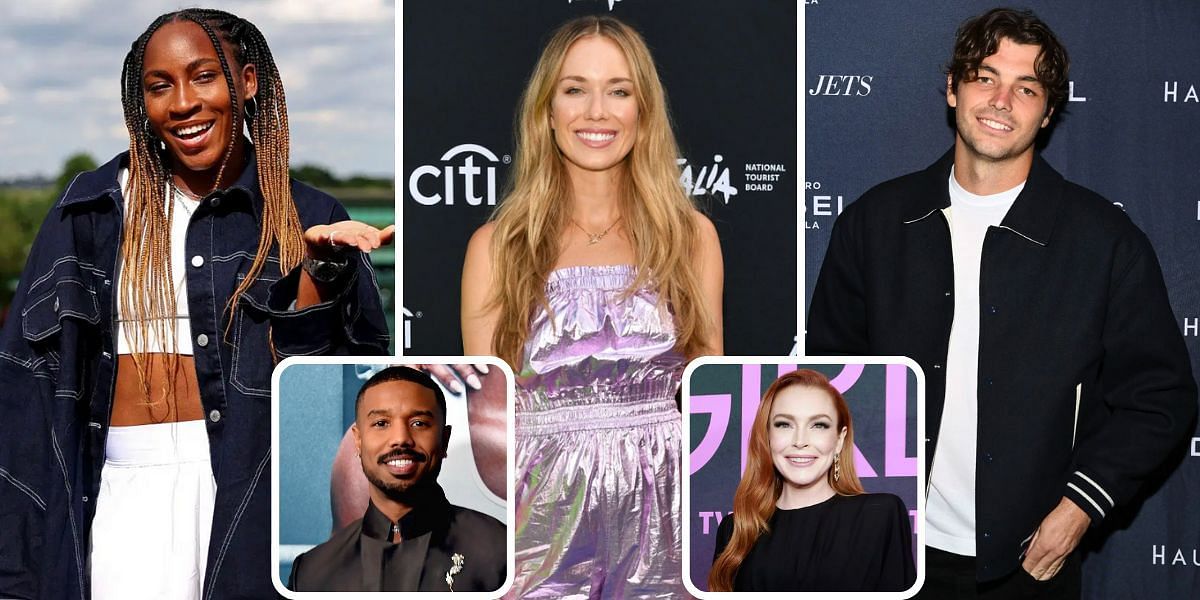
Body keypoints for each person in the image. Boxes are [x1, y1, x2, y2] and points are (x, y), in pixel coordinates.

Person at [0, 8, 392, 599]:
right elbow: (25, 395)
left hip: (248, 499)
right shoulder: (89, 215)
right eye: (160, 86)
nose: (183, 103)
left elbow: (346, 398)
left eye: (204, 76)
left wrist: (320, 277)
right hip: (121, 490)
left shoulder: (310, 218)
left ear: (249, 81)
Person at [808, 8, 1197, 597]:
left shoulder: (1103, 242)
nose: (1001, 100)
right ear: (952, 88)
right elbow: (828, 376)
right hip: (891, 552)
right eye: (985, 77)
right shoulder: (877, 222)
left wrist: (1079, 508)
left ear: (1047, 111)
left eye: (1026, 88)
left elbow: (1160, 397)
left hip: (1030, 564)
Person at [460, 14, 724, 598]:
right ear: (547, 110)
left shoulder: (692, 237)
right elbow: (489, 415)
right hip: (545, 515)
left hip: (667, 513)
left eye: (619, 91)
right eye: (575, 89)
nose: (597, 112)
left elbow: (713, 392)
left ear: (643, 111)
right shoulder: (496, 247)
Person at [288, 366, 506, 592]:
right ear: (358, 441)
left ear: (444, 440)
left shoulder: (501, 551)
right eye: (382, 423)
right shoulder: (310, 572)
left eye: (419, 423)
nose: (401, 439)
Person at [709, 369, 915, 592]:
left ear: (839, 440)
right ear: (767, 436)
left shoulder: (880, 515)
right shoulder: (735, 530)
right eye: (784, 424)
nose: (800, 441)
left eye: (819, 425)